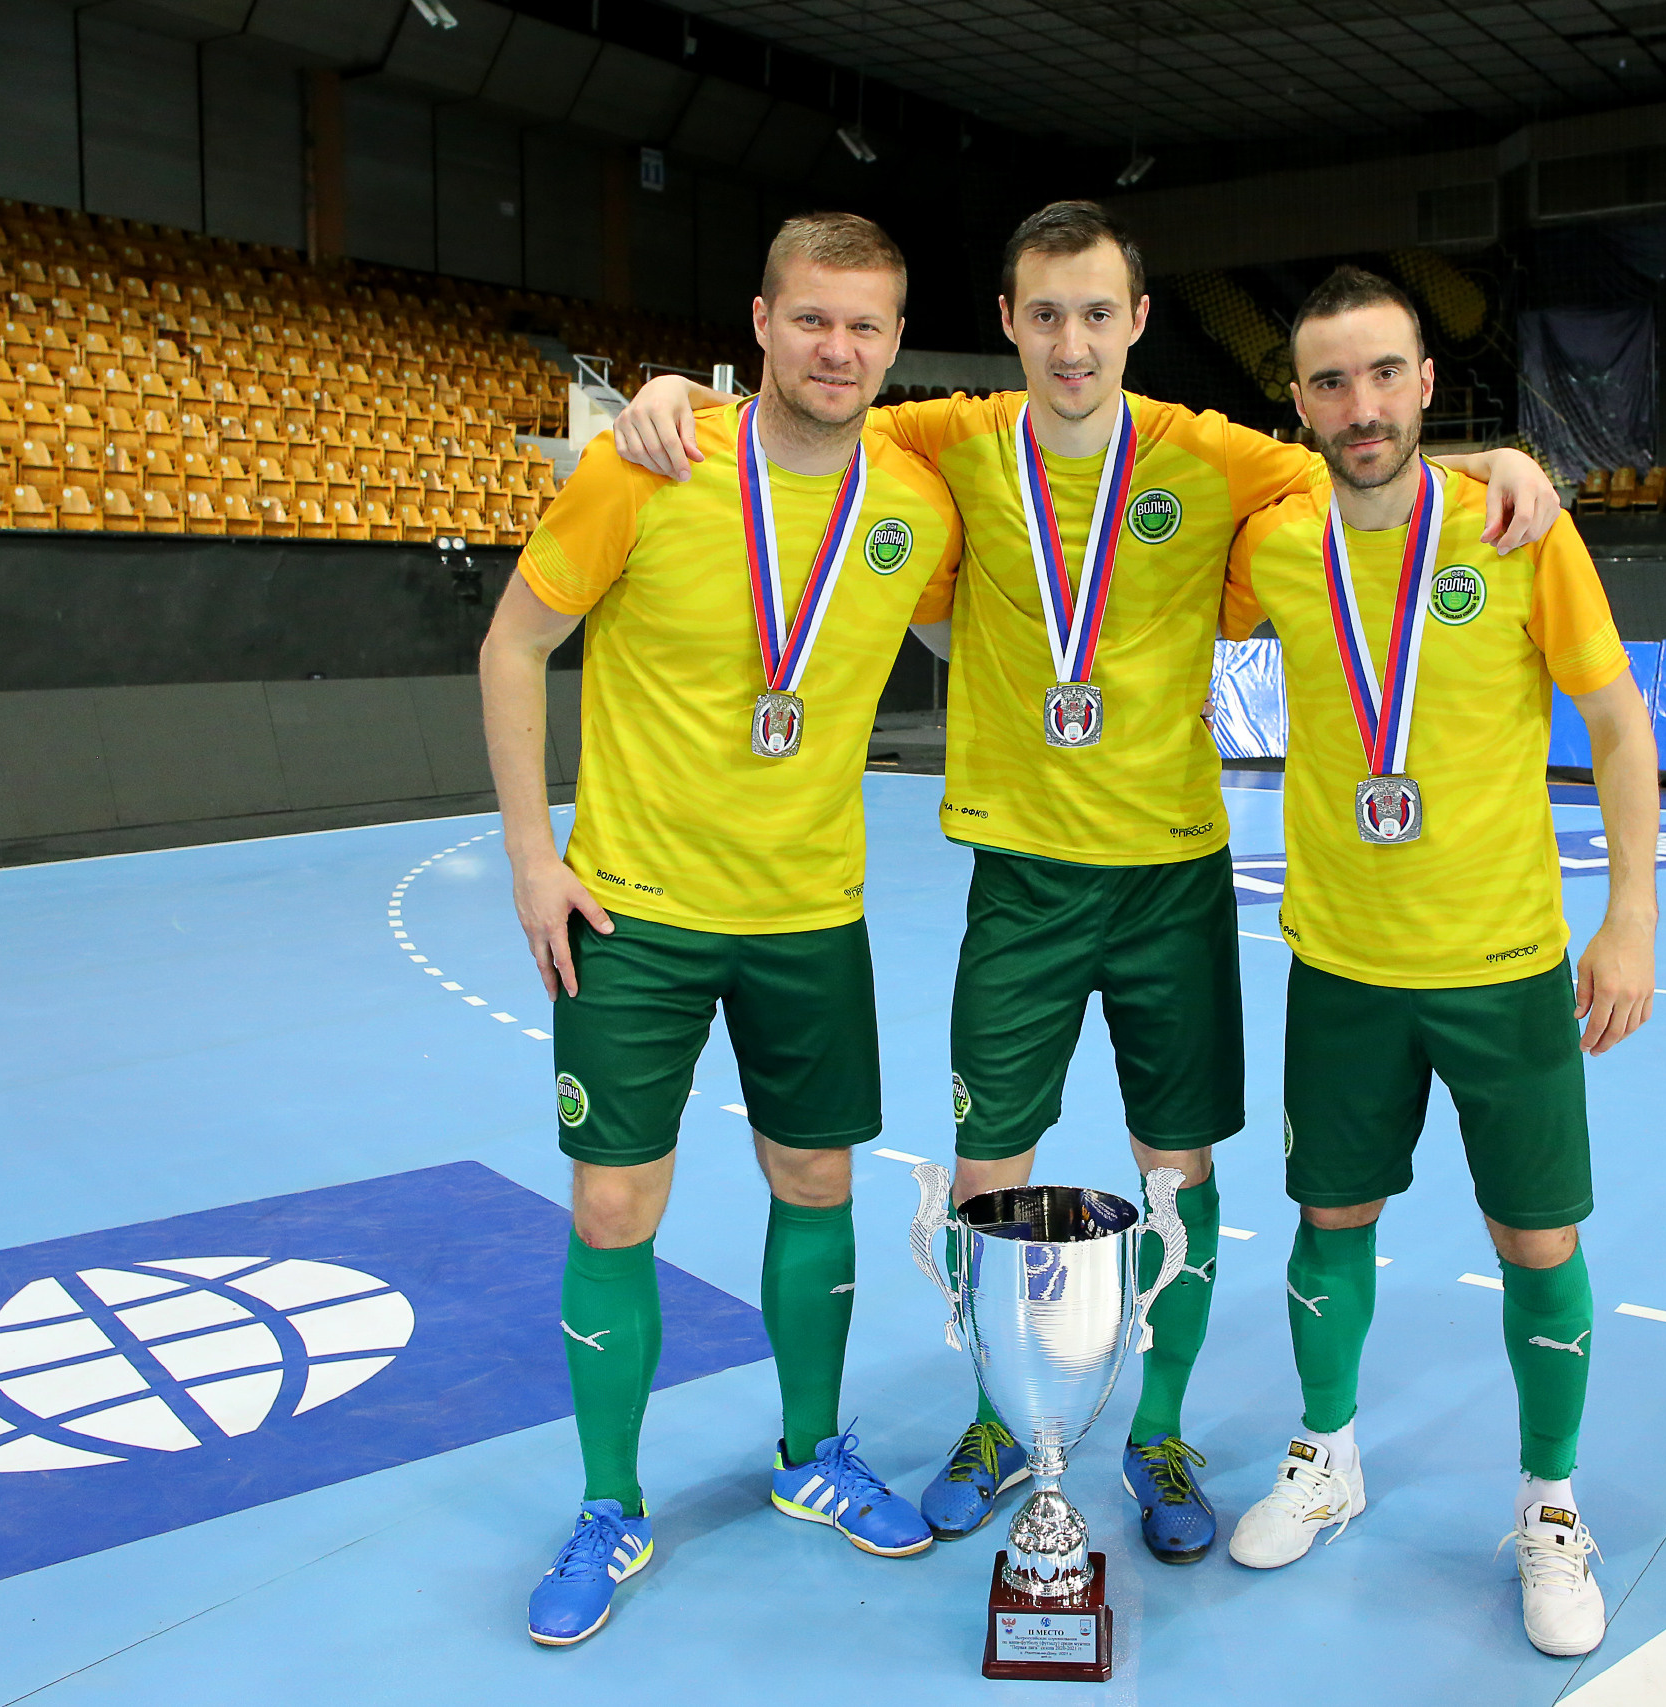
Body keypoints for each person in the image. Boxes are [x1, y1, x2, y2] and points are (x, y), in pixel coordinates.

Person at [604, 202, 1563, 1568]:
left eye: (1097, 313)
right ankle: (1008, 1417)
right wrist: (664, 400)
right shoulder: (949, 440)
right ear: (1007, 325)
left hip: (1172, 876)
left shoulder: (1211, 454)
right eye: (1044, 314)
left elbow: (1367, 460)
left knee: (1181, 1168)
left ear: (1139, 322)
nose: (1071, 342)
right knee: (992, 1166)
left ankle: (1158, 1426)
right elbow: (799, 421)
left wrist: (1496, 462)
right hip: (1024, 875)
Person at [478, 212, 963, 1648]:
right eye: (814, 319)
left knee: (815, 1181)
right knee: (614, 1205)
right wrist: (529, 857)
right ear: (759, 320)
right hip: (635, 904)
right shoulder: (655, 461)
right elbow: (515, 641)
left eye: (868, 325)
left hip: (812, 911)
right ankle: (609, 1504)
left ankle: (811, 1457)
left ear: (895, 340)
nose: (840, 349)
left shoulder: (916, 509)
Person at [1215, 266, 1657, 1661]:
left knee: (1537, 1238)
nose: (1362, 406)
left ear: (1425, 382)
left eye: (1385, 374)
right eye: (1331, 381)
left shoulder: (1518, 527)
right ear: (1298, 402)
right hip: (1341, 964)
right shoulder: (1274, 542)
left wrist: (1632, 913)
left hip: (1505, 961)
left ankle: (1547, 1505)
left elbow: (1618, 718)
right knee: (1330, 1221)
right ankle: (1327, 1456)